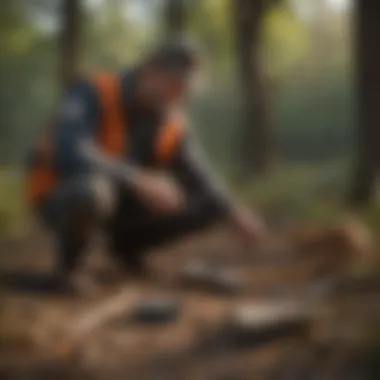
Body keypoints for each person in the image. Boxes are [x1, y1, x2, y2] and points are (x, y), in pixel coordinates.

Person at [25, 38, 265, 292]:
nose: (179, 96)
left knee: (208, 204)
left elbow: (199, 175)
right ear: (149, 70)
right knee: (93, 191)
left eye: (186, 89)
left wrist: (233, 212)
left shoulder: (173, 123)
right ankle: (68, 271)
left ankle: (127, 249)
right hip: (62, 194)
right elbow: (69, 149)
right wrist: (136, 179)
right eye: (174, 84)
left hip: (120, 205)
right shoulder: (93, 91)